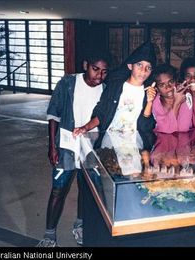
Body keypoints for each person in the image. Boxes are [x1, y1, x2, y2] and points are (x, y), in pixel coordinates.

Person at [37, 51, 110, 247]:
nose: (99, 76)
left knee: (87, 190)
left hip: (91, 147)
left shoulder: (105, 89)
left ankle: (80, 225)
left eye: (104, 72)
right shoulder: (68, 83)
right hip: (66, 145)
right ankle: (49, 236)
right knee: (58, 190)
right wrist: (52, 146)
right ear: (86, 64)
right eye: (96, 69)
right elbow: (54, 115)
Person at [72, 41, 157, 147]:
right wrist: (85, 128)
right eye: (139, 64)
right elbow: (102, 113)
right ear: (130, 66)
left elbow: (146, 127)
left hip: (134, 144)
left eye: (148, 67)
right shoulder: (115, 87)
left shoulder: (150, 92)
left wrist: (149, 102)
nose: (143, 70)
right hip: (110, 140)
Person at [152, 63, 193, 134]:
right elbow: (165, 131)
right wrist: (177, 103)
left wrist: (179, 102)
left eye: (171, 82)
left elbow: (183, 129)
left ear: (176, 81)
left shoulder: (186, 97)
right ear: (157, 89)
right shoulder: (155, 102)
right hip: (163, 142)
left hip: (183, 141)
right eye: (162, 85)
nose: (168, 87)